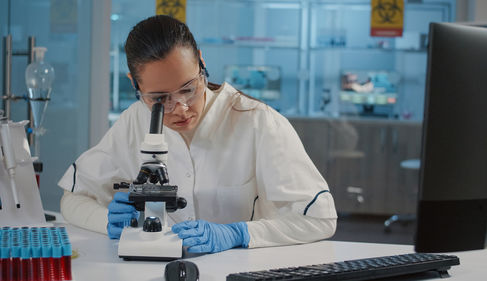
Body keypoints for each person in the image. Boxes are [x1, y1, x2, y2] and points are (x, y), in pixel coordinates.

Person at [58, 15, 337, 253]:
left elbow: (320, 219)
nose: (180, 108)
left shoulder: (257, 121)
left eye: (189, 88)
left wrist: (239, 234)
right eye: (160, 98)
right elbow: (72, 199)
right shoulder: (134, 120)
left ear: (201, 62)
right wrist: (105, 219)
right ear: (134, 84)